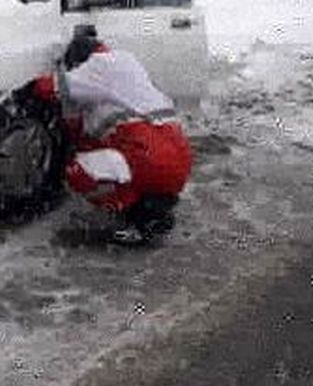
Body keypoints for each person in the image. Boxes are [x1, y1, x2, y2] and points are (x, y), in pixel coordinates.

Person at [32, 27, 194, 245]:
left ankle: (130, 215)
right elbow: (86, 134)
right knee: (114, 158)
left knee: (76, 170)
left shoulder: (99, 65)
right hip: (179, 158)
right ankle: (153, 210)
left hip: (147, 156)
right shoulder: (128, 65)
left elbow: (50, 88)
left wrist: (22, 88)